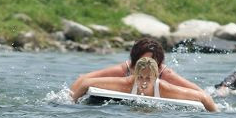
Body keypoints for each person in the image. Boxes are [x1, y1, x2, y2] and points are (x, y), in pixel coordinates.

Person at [70, 56, 219, 112]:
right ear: (135, 75)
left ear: (156, 77)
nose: (143, 82)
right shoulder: (126, 84)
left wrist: (215, 115)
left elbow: (203, 97)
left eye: (148, 78)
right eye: (140, 77)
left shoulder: (164, 88)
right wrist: (72, 103)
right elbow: (86, 82)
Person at [74, 38, 206, 93]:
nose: (146, 65)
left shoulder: (165, 73)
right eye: (143, 60)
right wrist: (69, 100)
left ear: (158, 62)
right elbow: (83, 78)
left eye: (151, 61)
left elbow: (198, 92)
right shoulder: (124, 69)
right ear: (135, 59)